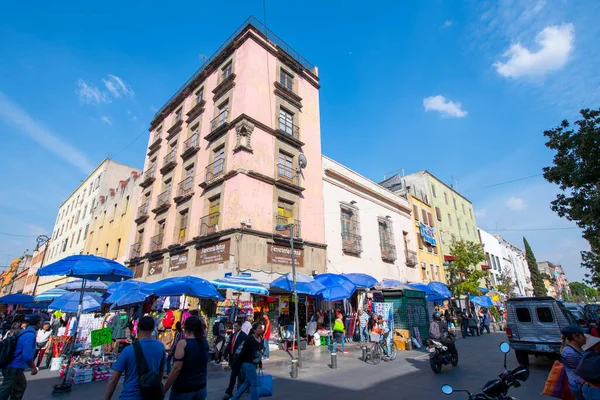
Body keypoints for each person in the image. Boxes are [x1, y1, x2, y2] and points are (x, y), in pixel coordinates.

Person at [104, 316, 166, 400]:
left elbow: (113, 380)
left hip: (130, 395)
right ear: (153, 329)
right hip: (150, 395)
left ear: (138, 329)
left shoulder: (128, 350)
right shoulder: (160, 347)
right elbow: (161, 372)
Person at [164, 316, 209, 400]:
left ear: (186, 328)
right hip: (201, 388)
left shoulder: (183, 344)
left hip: (184, 390)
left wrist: (164, 389)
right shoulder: (204, 342)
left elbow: (176, 369)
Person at [0, 315, 41, 400]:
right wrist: (33, 368)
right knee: (6, 389)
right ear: (38, 324)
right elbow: (27, 356)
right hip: (14, 366)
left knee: (20, 386)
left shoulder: (25, 332)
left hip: (14, 366)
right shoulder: (29, 335)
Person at [230, 322, 264, 400]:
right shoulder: (249, 339)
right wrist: (236, 363)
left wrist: (260, 363)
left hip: (254, 363)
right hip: (247, 364)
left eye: (261, 328)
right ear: (255, 330)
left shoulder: (261, 339)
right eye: (259, 328)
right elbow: (242, 352)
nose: (261, 329)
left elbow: (259, 352)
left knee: (247, 382)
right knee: (254, 384)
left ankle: (234, 398)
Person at [561, 324, 587, 400]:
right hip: (579, 385)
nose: (585, 337)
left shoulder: (574, 348)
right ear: (575, 337)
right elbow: (585, 369)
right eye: (583, 335)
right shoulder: (571, 353)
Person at [223, 322, 247, 400]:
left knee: (238, 376)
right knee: (233, 376)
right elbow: (229, 346)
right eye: (234, 327)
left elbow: (242, 348)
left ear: (240, 326)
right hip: (233, 358)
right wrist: (224, 354)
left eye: (236, 326)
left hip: (239, 359)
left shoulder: (243, 336)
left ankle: (234, 392)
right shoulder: (232, 335)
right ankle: (230, 392)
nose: (235, 328)